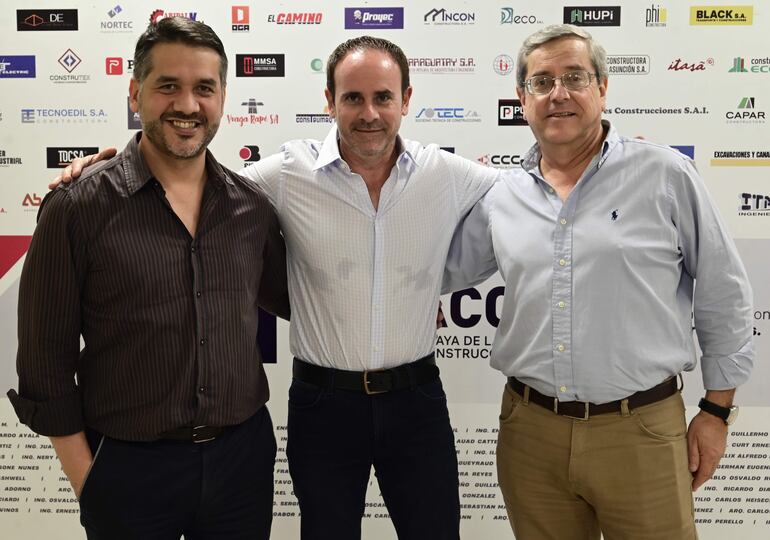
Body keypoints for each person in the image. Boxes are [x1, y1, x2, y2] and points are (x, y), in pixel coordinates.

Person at [54, 36, 500, 540]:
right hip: (323, 405)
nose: (369, 113)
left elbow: (526, 193)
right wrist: (104, 169)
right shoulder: (287, 173)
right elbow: (198, 181)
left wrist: (433, 283)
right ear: (329, 101)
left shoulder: (446, 172)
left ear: (406, 99)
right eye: (352, 98)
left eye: (383, 97)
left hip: (416, 400)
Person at [443, 24, 754, 540]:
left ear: (602, 88)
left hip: (641, 430)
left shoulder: (665, 174)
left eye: (575, 77)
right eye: (542, 82)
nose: (558, 93)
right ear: (522, 98)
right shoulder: (502, 195)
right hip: (530, 435)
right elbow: (436, 271)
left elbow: (724, 293)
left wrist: (716, 412)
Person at [7, 17, 289, 540]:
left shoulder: (251, 208)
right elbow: (45, 362)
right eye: (168, 86)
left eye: (204, 88)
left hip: (241, 463)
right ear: (135, 93)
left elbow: (302, 297)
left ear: (223, 98)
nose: (188, 104)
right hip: (127, 471)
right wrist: (89, 481)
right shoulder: (77, 207)